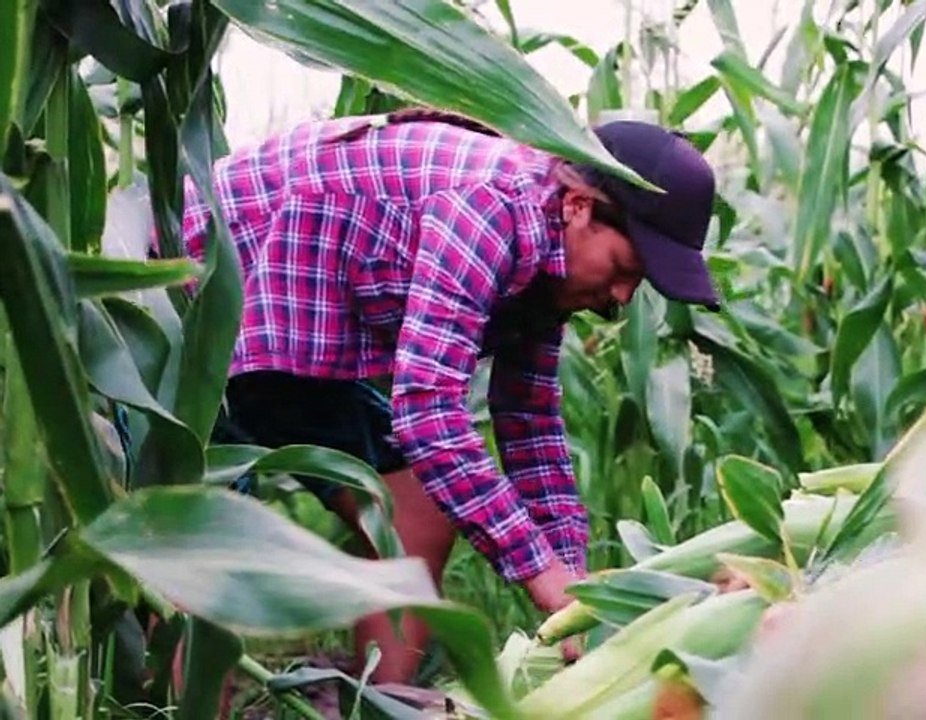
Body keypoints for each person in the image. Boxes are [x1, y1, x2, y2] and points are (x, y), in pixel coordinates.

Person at [172, 107, 722, 686]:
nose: (622, 295)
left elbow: (530, 421)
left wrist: (574, 585)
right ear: (578, 206)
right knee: (202, 554)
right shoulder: (487, 207)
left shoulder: (550, 256)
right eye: (623, 268)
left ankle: (379, 700)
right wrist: (539, 571)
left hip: (295, 330)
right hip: (201, 290)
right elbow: (428, 413)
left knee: (417, 507)